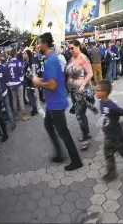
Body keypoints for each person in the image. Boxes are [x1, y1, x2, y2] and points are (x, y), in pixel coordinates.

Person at [32, 32, 83, 171]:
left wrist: (38, 83)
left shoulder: (51, 60)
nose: (37, 45)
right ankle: (59, 154)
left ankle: (76, 160)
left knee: (63, 132)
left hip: (56, 103)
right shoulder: (50, 58)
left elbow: (52, 85)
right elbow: (51, 79)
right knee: (48, 125)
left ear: (44, 44)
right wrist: (40, 80)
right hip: (52, 102)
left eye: (39, 43)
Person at [96, 79, 123, 181]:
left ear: (104, 92)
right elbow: (105, 116)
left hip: (118, 136)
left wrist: (122, 125)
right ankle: (111, 174)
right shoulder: (101, 102)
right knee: (108, 154)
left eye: (98, 90)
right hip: (108, 136)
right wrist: (104, 125)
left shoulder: (112, 106)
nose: (96, 92)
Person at [66, 39, 97, 151]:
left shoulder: (83, 58)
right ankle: (86, 134)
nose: (70, 50)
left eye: (72, 48)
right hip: (73, 92)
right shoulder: (72, 58)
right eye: (68, 48)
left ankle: (86, 138)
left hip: (81, 92)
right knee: (81, 114)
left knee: (79, 114)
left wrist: (83, 84)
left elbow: (90, 73)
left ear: (78, 46)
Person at [0, 53, 16, 130]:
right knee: (8, 108)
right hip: (4, 91)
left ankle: (2, 127)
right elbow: (8, 82)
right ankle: (13, 125)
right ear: (0, 58)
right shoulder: (4, 67)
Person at [7, 49, 30, 122]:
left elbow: (8, 73)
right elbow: (21, 73)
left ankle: (15, 116)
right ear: (16, 53)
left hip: (11, 83)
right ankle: (23, 115)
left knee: (14, 99)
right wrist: (21, 80)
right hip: (17, 82)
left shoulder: (8, 63)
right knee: (20, 99)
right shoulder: (18, 62)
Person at [23, 50, 38, 116]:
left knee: (31, 95)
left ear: (28, 54)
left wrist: (28, 76)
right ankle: (34, 108)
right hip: (28, 81)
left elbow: (33, 72)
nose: (24, 55)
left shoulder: (31, 62)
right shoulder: (27, 62)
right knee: (30, 95)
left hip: (31, 81)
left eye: (25, 54)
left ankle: (35, 109)